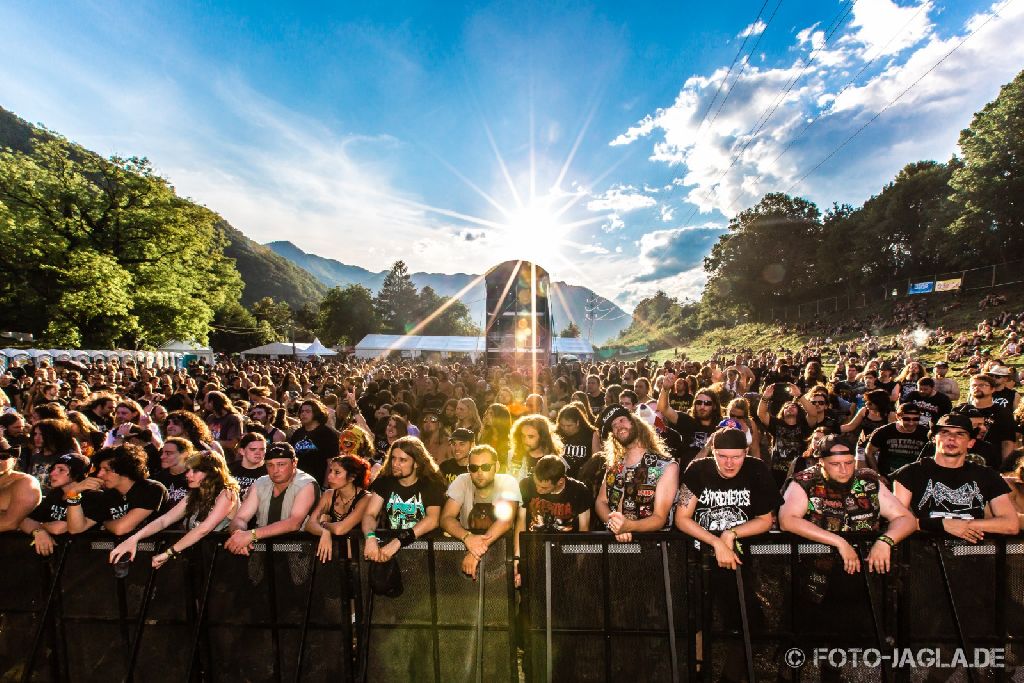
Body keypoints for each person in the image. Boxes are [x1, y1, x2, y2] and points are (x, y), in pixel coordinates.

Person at [780, 436, 916, 574]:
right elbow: (787, 520)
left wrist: (885, 541)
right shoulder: (805, 481)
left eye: (849, 463)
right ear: (821, 462)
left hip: (865, 566)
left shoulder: (868, 480)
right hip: (815, 568)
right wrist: (839, 542)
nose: (844, 470)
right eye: (835, 464)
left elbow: (906, 518)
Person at [893, 414, 1017, 541]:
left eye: (960, 434)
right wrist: (942, 524)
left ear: (971, 443)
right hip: (923, 548)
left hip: (972, 550)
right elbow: (896, 520)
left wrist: (963, 525)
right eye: (945, 432)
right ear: (934, 438)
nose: (952, 438)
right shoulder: (909, 473)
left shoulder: (987, 475)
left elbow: (1011, 524)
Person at [109, 452, 241, 568]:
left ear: (212, 473)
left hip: (222, 561)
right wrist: (134, 538)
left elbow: (204, 529)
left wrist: (169, 553)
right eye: (188, 470)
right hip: (198, 558)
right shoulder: (194, 494)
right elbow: (165, 520)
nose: (188, 475)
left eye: (195, 471)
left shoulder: (227, 494)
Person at [675, 428, 780, 569]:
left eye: (736, 457)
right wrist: (716, 542)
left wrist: (731, 533)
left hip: (745, 557)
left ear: (746, 452)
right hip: (700, 558)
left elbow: (765, 521)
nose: (729, 463)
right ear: (713, 451)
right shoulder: (698, 469)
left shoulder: (756, 468)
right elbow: (682, 518)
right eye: (722, 456)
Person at [595, 407, 679, 542]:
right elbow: (601, 502)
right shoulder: (615, 465)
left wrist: (628, 526)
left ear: (634, 422)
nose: (618, 427)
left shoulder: (666, 466)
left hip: (652, 546)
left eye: (622, 420)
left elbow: (659, 518)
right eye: (614, 426)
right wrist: (614, 524)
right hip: (615, 545)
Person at [440, 444, 521, 579]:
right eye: (474, 468)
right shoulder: (462, 480)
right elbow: (446, 518)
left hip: (501, 557)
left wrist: (475, 551)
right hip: (465, 553)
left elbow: (506, 520)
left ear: (496, 466)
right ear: (468, 469)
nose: (479, 472)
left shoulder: (508, 481)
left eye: (486, 467)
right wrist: (467, 537)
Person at [361, 436, 446, 564]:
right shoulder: (385, 481)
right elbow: (370, 514)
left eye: (402, 460)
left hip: (426, 553)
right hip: (393, 554)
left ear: (417, 463)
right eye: (393, 458)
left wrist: (399, 541)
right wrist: (370, 537)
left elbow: (432, 520)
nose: (395, 464)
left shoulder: (431, 483)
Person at [225, 443, 318, 555]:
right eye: (270, 465)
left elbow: (294, 523)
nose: (275, 470)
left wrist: (251, 535)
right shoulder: (260, 483)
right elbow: (240, 518)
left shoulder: (306, 484)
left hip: (298, 551)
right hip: (263, 551)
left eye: (281, 464)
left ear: (294, 463)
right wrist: (238, 535)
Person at [66, 445, 168, 536]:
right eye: (100, 469)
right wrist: (73, 494)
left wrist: (104, 523)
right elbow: (76, 529)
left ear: (124, 469)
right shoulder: (108, 496)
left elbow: (121, 529)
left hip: (150, 548)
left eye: (107, 470)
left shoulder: (151, 489)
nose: (99, 474)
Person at [305, 455, 373, 563]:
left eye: (337, 472)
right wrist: (324, 532)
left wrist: (323, 524)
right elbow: (309, 524)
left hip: (361, 560)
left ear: (352, 477)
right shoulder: (328, 494)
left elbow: (340, 529)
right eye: (330, 471)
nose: (330, 476)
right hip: (334, 557)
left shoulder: (366, 498)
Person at [19, 453, 89, 555]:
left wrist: (38, 526)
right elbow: (24, 520)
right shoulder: (56, 493)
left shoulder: (90, 496)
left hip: (83, 554)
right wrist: (39, 532)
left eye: (61, 470)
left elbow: (58, 529)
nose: (52, 473)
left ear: (77, 473)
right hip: (56, 553)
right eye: (53, 469)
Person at [658, 373, 720, 467]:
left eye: (707, 403)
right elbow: (663, 409)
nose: (702, 406)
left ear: (714, 406)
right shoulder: (687, 421)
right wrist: (665, 389)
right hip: (687, 473)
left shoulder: (720, 427)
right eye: (699, 402)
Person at [518, 454, 592, 533]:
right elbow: (520, 522)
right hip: (533, 539)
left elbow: (584, 529)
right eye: (536, 483)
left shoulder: (579, 491)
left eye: (544, 488)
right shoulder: (526, 484)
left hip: (567, 540)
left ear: (560, 482)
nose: (538, 489)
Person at [864, 404, 930, 479]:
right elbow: (869, 452)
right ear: (898, 417)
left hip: (913, 478)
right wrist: (878, 475)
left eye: (915, 419)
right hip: (888, 477)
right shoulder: (884, 432)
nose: (911, 423)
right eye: (907, 419)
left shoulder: (925, 433)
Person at [967, 373, 1016, 468]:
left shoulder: (1003, 413)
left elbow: (1008, 442)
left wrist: (1005, 467)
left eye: (982, 385)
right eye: (974, 385)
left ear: (992, 389)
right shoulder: (960, 410)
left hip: (991, 464)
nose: (977, 388)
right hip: (962, 462)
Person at [289, 398, 340, 487]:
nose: (303, 414)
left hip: (317, 483)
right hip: (297, 483)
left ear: (316, 413)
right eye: (302, 411)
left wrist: (325, 486)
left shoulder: (327, 434)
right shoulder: (297, 433)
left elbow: (331, 462)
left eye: (308, 411)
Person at [0, 438, 43, 532]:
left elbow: (9, 523)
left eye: (3, 456)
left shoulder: (26, 482)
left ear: (14, 460)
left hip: (15, 540)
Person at [509, 415, 563, 480]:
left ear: (542, 437)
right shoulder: (513, 455)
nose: (525, 440)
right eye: (523, 435)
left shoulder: (556, 459)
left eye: (530, 437)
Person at [554, 403, 599, 479]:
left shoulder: (591, 433)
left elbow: (597, 458)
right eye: (562, 425)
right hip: (560, 477)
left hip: (583, 477)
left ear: (578, 422)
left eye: (569, 425)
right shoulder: (556, 434)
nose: (565, 428)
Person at [152, 437, 193, 511]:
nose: (162, 457)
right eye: (162, 453)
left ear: (184, 454)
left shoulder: (194, 478)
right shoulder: (157, 478)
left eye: (168, 453)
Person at [229, 433, 268, 499]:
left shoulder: (270, 471)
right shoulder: (229, 469)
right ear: (242, 451)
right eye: (253, 449)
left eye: (262, 449)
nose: (258, 453)